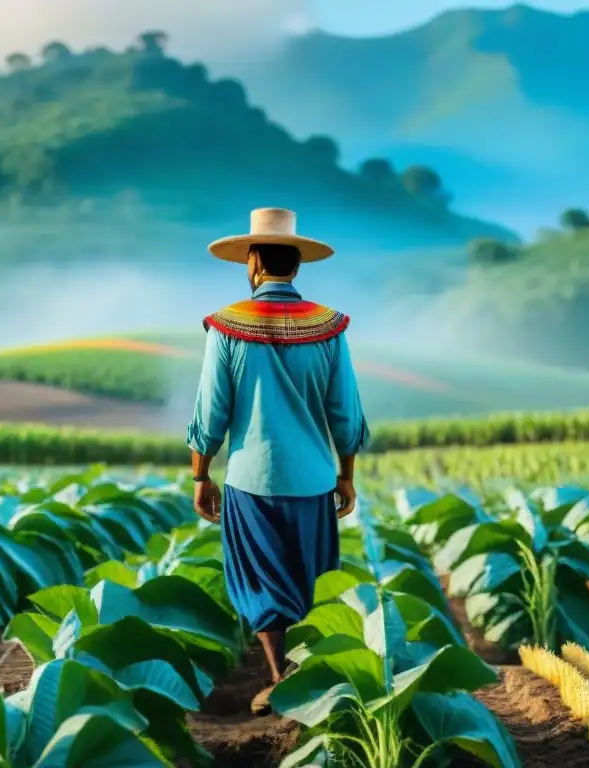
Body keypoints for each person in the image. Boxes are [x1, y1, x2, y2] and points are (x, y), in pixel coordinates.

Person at [186, 207, 370, 716]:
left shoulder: (226, 327)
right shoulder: (329, 328)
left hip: (250, 481)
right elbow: (346, 413)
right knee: (311, 579)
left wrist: (201, 476)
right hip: (313, 480)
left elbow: (209, 413)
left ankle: (276, 675)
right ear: (296, 266)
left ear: (252, 264)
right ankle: (311, 673)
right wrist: (346, 476)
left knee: (262, 579)